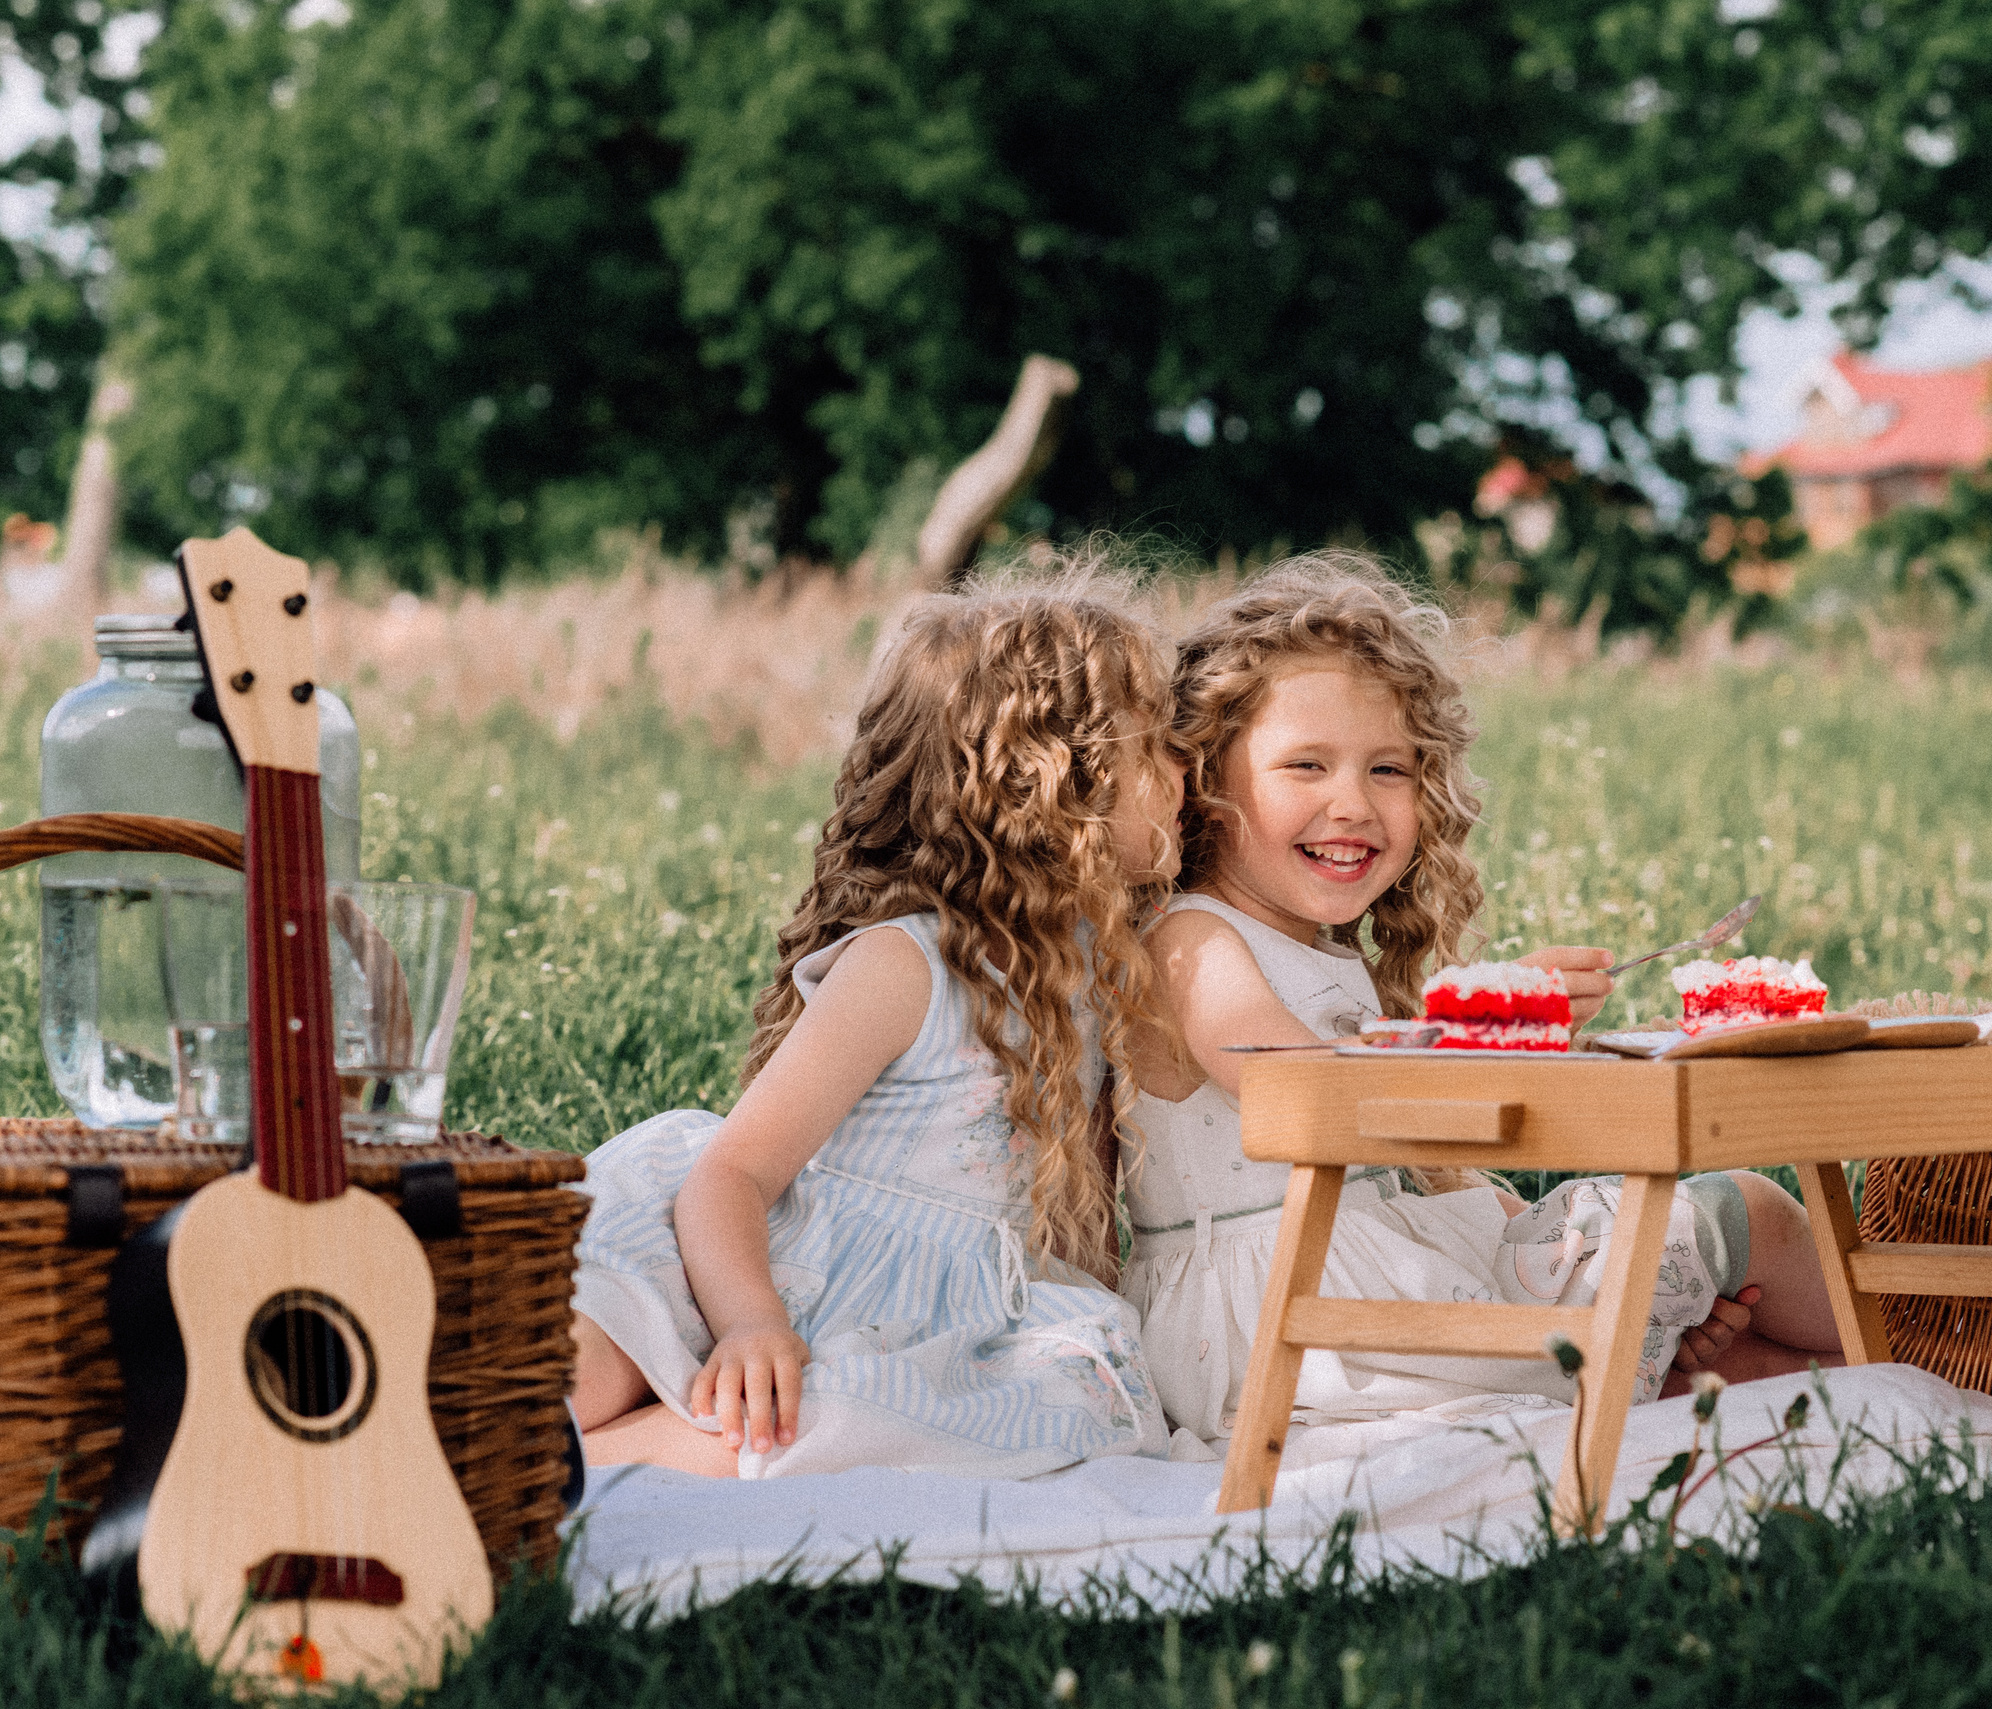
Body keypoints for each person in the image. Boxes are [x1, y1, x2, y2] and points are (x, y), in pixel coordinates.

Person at [1121, 555, 1843, 1444]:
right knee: (1749, 1210)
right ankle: (1931, 1350)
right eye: (1306, 765)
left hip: (1360, 1282)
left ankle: (1924, 1385)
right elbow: (1300, 1095)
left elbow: (1398, 1169)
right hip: (1290, 1305)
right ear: (1203, 783)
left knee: (1725, 1355)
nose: (1351, 802)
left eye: (1389, 770)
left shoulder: (1322, 952)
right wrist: (1476, 1029)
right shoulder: (1192, 937)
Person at [568, 577, 1180, 1479]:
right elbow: (730, 1175)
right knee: (590, 1349)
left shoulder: (1100, 974)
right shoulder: (910, 966)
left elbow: (1075, 1215)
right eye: (1155, 749)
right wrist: (751, 1323)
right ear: (1051, 785)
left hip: (939, 1320)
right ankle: (529, 1439)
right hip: (769, 1265)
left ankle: (592, 1464)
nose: (1185, 772)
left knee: (897, 1418)